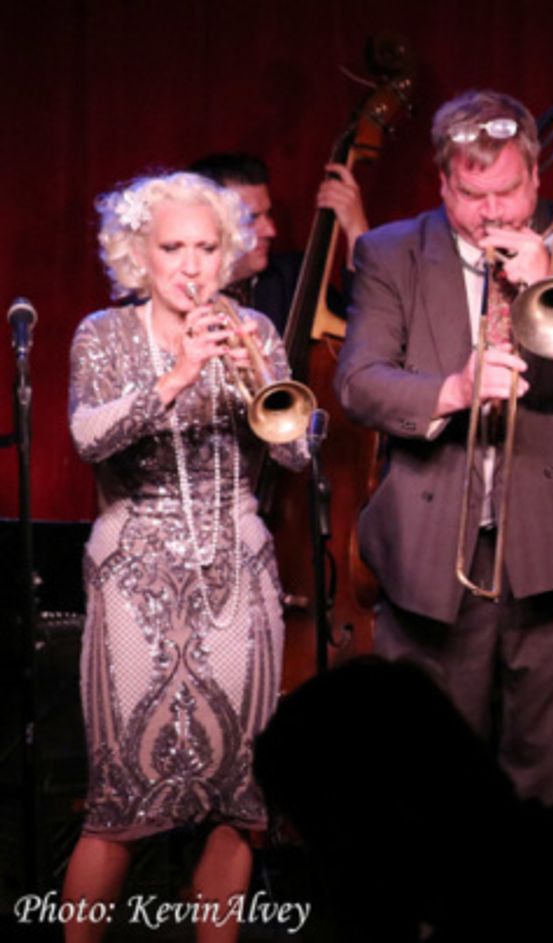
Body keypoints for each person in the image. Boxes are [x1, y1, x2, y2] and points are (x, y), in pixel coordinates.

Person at [334, 89, 553, 807]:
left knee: (547, 787)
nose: (494, 214)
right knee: (426, 785)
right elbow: (358, 382)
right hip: (428, 557)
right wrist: (452, 388)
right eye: (472, 195)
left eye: (509, 190)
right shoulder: (392, 251)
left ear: (537, 180)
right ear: (443, 184)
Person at [63, 171, 308, 941]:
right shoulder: (101, 334)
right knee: (121, 801)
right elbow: (87, 437)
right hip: (132, 576)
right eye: (172, 247)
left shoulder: (255, 332)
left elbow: (297, 452)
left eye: (207, 247)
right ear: (139, 253)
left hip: (236, 576)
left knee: (236, 801)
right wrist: (174, 379)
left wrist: (254, 383)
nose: (192, 265)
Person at [189, 151, 369, 332]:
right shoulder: (176, 291)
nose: (271, 231)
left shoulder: (294, 278)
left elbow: (369, 324)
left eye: (268, 214)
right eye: (250, 219)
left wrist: (356, 229)